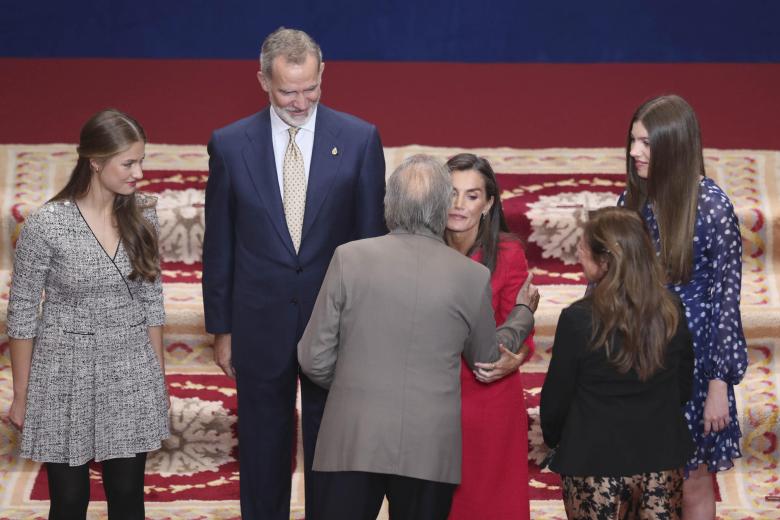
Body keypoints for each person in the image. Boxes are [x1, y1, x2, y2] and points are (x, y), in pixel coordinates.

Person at [201, 27, 386, 519]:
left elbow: (372, 244)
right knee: (262, 448)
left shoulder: (360, 139)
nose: (301, 102)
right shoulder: (229, 144)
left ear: (323, 74)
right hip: (258, 323)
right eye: (287, 91)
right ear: (262, 80)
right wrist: (221, 329)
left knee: (332, 451)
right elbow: (218, 243)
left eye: (310, 88)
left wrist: (365, 328)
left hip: (336, 323)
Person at [298, 154, 538, 520]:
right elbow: (487, 360)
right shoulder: (469, 276)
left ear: (388, 204)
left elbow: (313, 357)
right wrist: (523, 313)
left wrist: (355, 388)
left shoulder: (349, 257)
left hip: (353, 435)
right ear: (442, 206)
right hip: (430, 446)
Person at [5, 109, 169, 519]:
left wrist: (157, 382)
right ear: (95, 162)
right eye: (128, 163)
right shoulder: (47, 224)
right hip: (63, 372)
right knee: (70, 500)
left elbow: (152, 303)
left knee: (128, 494)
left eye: (141, 161)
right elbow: (22, 313)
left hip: (129, 368)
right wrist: (23, 395)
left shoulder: (144, 215)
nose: (139, 173)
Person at [619, 94, 748, 519]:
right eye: (634, 141)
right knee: (635, 477)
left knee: (690, 480)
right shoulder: (632, 201)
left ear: (674, 144)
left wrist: (717, 386)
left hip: (693, 365)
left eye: (646, 143)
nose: (635, 152)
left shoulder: (712, 208)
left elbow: (725, 304)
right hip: (639, 355)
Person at [540, 207, 694, 519]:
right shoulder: (671, 311)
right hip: (660, 459)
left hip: (594, 462)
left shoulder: (577, 319)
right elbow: (683, 389)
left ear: (606, 260)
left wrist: (556, 439)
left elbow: (556, 401)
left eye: (583, 246)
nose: (579, 252)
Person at [442, 153, 534, 520]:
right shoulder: (422, 247)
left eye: (472, 195)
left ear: (489, 203)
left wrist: (516, 356)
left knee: (491, 506)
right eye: (451, 193)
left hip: (489, 393)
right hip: (435, 394)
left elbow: (518, 325)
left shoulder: (509, 253)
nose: (459, 205)